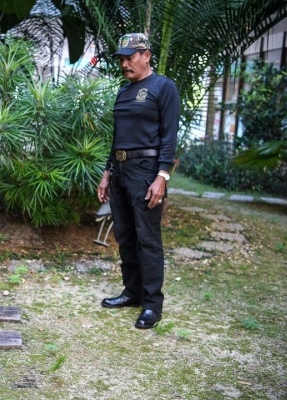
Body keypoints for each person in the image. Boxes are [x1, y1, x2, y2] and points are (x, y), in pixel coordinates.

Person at [96, 33, 179, 329]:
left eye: (130, 57)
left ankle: (152, 304)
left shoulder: (163, 87)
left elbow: (169, 137)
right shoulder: (124, 91)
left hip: (147, 172)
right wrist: (107, 173)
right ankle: (132, 292)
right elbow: (117, 138)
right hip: (120, 172)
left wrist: (162, 177)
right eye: (121, 58)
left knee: (147, 238)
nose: (124, 63)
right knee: (125, 235)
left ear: (146, 55)